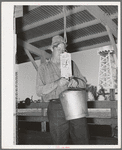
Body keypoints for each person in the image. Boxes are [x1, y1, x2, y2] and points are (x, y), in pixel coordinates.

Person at [36, 35, 89, 145]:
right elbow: (39, 90)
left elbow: (83, 83)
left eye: (63, 50)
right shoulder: (43, 68)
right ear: (51, 48)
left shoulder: (71, 64)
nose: (61, 52)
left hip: (75, 103)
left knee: (82, 139)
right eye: (58, 49)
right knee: (59, 141)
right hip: (56, 107)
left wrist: (76, 82)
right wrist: (57, 83)